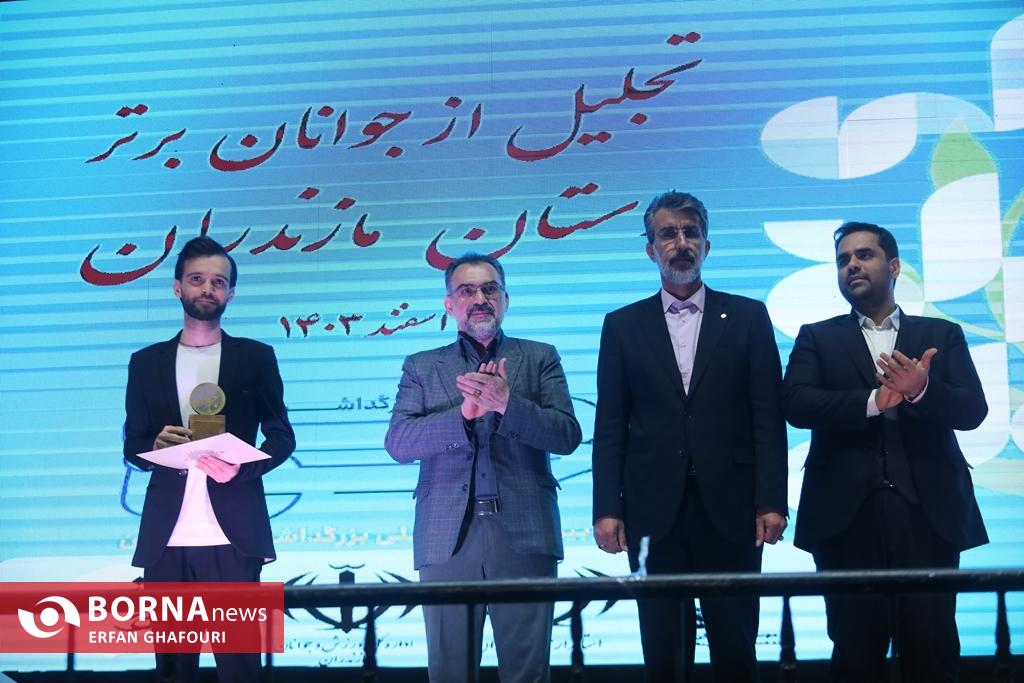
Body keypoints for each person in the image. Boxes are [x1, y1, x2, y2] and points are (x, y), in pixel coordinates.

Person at [592, 191, 788, 682]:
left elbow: (767, 417)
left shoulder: (748, 316)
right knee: (663, 651)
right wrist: (607, 508)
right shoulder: (621, 325)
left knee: (736, 648)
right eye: (668, 233)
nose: (680, 243)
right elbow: (610, 425)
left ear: (706, 244)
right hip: (651, 510)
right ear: (650, 249)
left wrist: (772, 500)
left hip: (733, 506)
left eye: (690, 232)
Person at [782, 221, 988, 682]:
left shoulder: (941, 333)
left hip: (929, 515)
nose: (852, 265)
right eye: (843, 260)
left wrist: (922, 390)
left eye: (864, 255)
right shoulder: (817, 336)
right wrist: (873, 401)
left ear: (893, 266)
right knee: (855, 655)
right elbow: (795, 404)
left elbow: (973, 409)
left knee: (932, 651)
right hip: (844, 519)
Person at [385, 253, 581, 683]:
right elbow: (398, 443)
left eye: (490, 289)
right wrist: (463, 415)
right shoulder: (421, 365)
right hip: (446, 538)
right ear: (449, 304)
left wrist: (508, 404)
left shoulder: (540, 357)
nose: (480, 299)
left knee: (528, 674)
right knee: (449, 673)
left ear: (505, 300)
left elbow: (567, 435)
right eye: (467, 291)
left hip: (526, 534)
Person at [123, 236, 295, 683]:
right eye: (197, 279)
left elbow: (281, 436)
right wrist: (154, 446)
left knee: (240, 669)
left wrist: (242, 467)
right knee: (173, 671)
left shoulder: (255, 357)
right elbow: (132, 444)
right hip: (167, 536)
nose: (207, 288)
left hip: (233, 533)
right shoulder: (145, 362)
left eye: (218, 282)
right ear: (177, 287)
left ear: (231, 294)